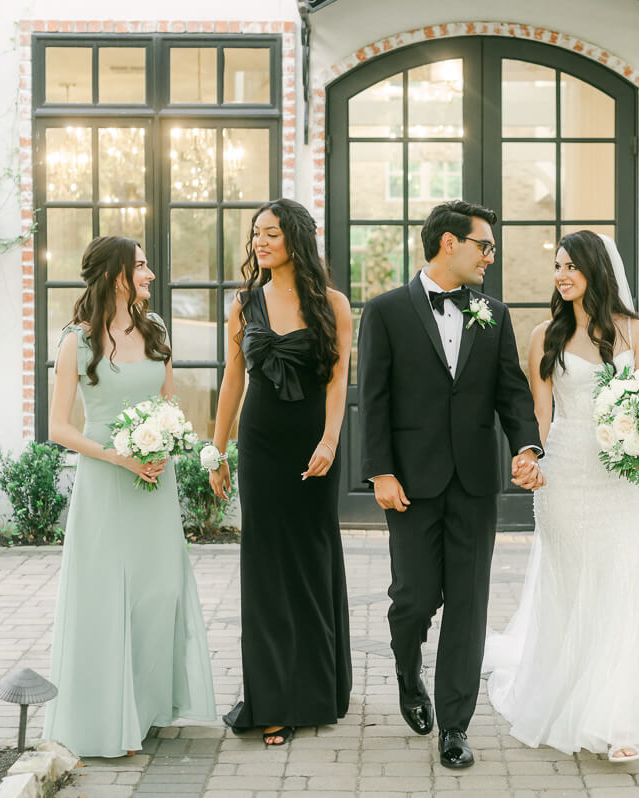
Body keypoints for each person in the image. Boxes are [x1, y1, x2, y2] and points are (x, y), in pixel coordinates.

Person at [357, 199, 544, 769]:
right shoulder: (386, 311)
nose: (491, 255)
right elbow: (375, 397)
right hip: (409, 482)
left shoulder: (494, 312)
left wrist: (528, 446)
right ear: (448, 244)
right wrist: (380, 471)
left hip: (474, 481)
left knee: (468, 602)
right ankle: (407, 670)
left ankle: (456, 726)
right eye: (483, 245)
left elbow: (512, 391)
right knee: (413, 597)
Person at [484, 231, 639, 763]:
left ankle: (619, 718)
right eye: (556, 266)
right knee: (568, 582)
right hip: (565, 470)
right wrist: (530, 455)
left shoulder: (636, 332)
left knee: (619, 581)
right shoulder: (546, 333)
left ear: (595, 270)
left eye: (570, 266)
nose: (560, 275)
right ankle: (563, 694)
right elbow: (540, 412)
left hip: (621, 476)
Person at [44, 236, 215, 757]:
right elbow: (58, 428)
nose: (149, 273)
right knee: (108, 595)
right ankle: (104, 717)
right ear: (117, 275)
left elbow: (168, 401)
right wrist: (118, 456)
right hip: (106, 481)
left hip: (154, 478)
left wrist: (168, 439)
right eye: (140, 265)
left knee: (158, 591)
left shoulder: (155, 329)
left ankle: (146, 706)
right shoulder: (76, 341)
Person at [208, 198, 353, 744]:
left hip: (314, 444)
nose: (259, 243)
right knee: (266, 568)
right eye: (255, 235)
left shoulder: (333, 303)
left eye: (270, 233)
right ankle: (275, 698)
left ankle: (322, 686)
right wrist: (217, 450)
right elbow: (231, 381)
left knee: (312, 559)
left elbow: (338, 381)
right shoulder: (244, 304)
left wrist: (331, 439)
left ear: (296, 237)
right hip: (262, 445)